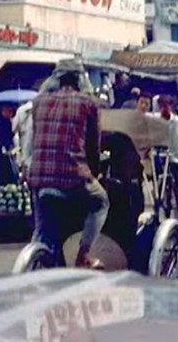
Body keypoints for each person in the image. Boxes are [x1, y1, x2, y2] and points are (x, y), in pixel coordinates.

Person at [29, 59, 109, 269]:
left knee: (41, 229)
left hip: (38, 177)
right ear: (80, 80)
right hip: (73, 176)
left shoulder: (39, 102)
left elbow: (37, 139)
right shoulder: (88, 103)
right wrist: (95, 172)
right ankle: (83, 255)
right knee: (101, 202)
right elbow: (94, 147)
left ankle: (35, 257)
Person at [154, 95, 178, 228]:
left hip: (175, 155)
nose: (165, 108)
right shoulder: (155, 120)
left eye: (168, 106)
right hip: (160, 155)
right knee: (159, 186)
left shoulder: (177, 121)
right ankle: (158, 209)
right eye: (163, 106)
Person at [12, 100, 34, 171]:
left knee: (25, 158)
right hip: (35, 138)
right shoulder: (38, 108)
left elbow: (14, 128)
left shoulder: (20, 110)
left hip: (23, 138)